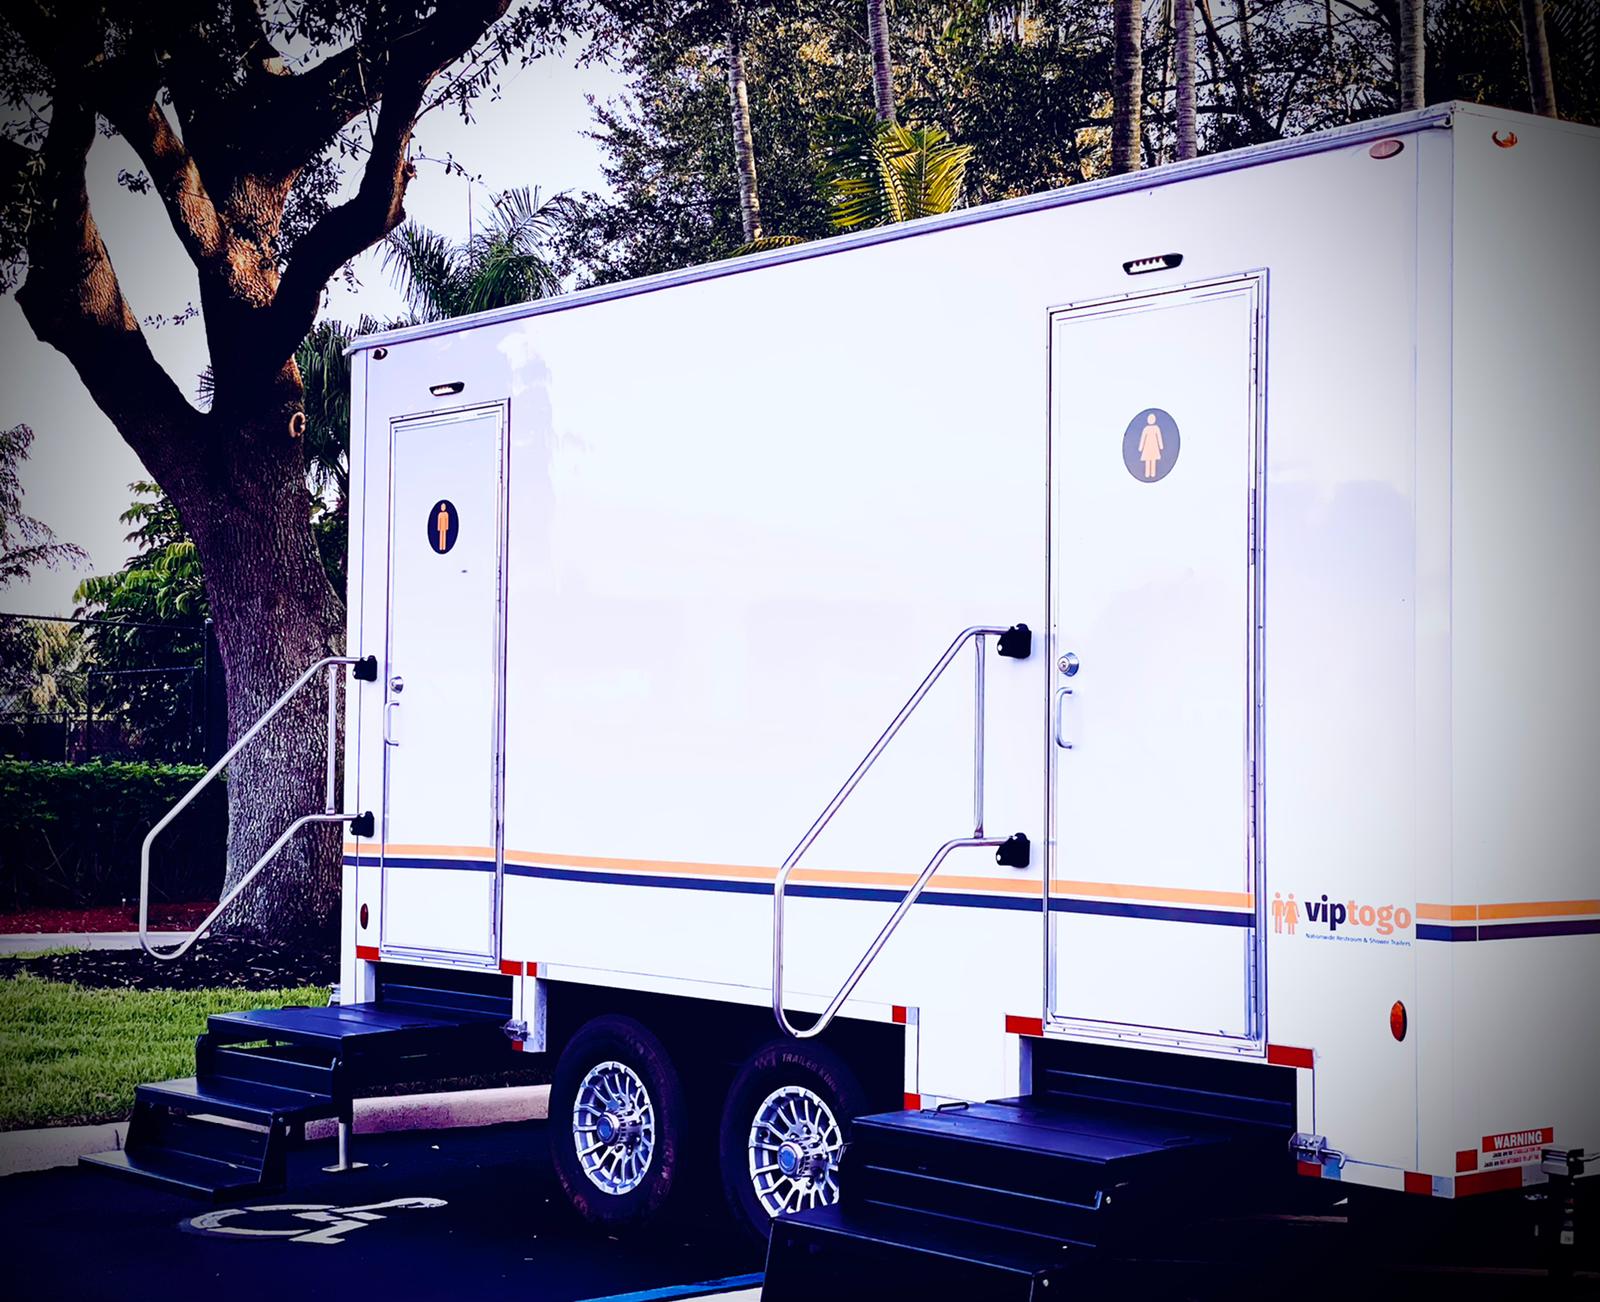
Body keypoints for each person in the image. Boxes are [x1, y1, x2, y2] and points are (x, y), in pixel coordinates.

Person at [1138, 412, 1164, 479]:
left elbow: (1159, 437)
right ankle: (1148, 474)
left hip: (1153, 447)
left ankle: (1152, 474)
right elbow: (1143, 438)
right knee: (1148, 461)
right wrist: (1140, 448)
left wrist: (1161, 446)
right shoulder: (1146, 429)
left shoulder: (1156, 428)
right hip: (1148, 447)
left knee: (1153, 461)